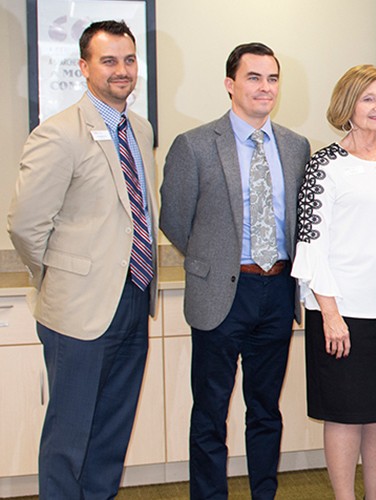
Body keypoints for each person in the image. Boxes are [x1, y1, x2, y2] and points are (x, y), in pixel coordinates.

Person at [8, 20, 157, 498]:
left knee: (111, 434)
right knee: (68, 438)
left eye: (129, 60)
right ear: (83, 67)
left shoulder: (139, 128)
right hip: (77, 310)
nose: (122, 70)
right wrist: (53, 278)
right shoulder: (58, 133)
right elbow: (25, 225)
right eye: (108, 60)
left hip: (133, 299)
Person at [160, 42, 311, 499]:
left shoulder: (295, 146)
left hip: (277, 292)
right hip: (222, 294)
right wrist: (216, 260)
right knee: (210, 413)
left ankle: (264, 493)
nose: (264, 87)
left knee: (265, 410)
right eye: (253, 77)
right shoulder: (195, 145)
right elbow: (174, 220)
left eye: (272, 78)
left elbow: (299, 222)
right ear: (230, 84)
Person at [289, 64, 376, 500]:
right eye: (369, 98)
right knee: (344, 415)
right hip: (342, 313)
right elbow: (311, 244)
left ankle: (375, 495)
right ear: (348, 104)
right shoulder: (325, 165)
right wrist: (329, 313)